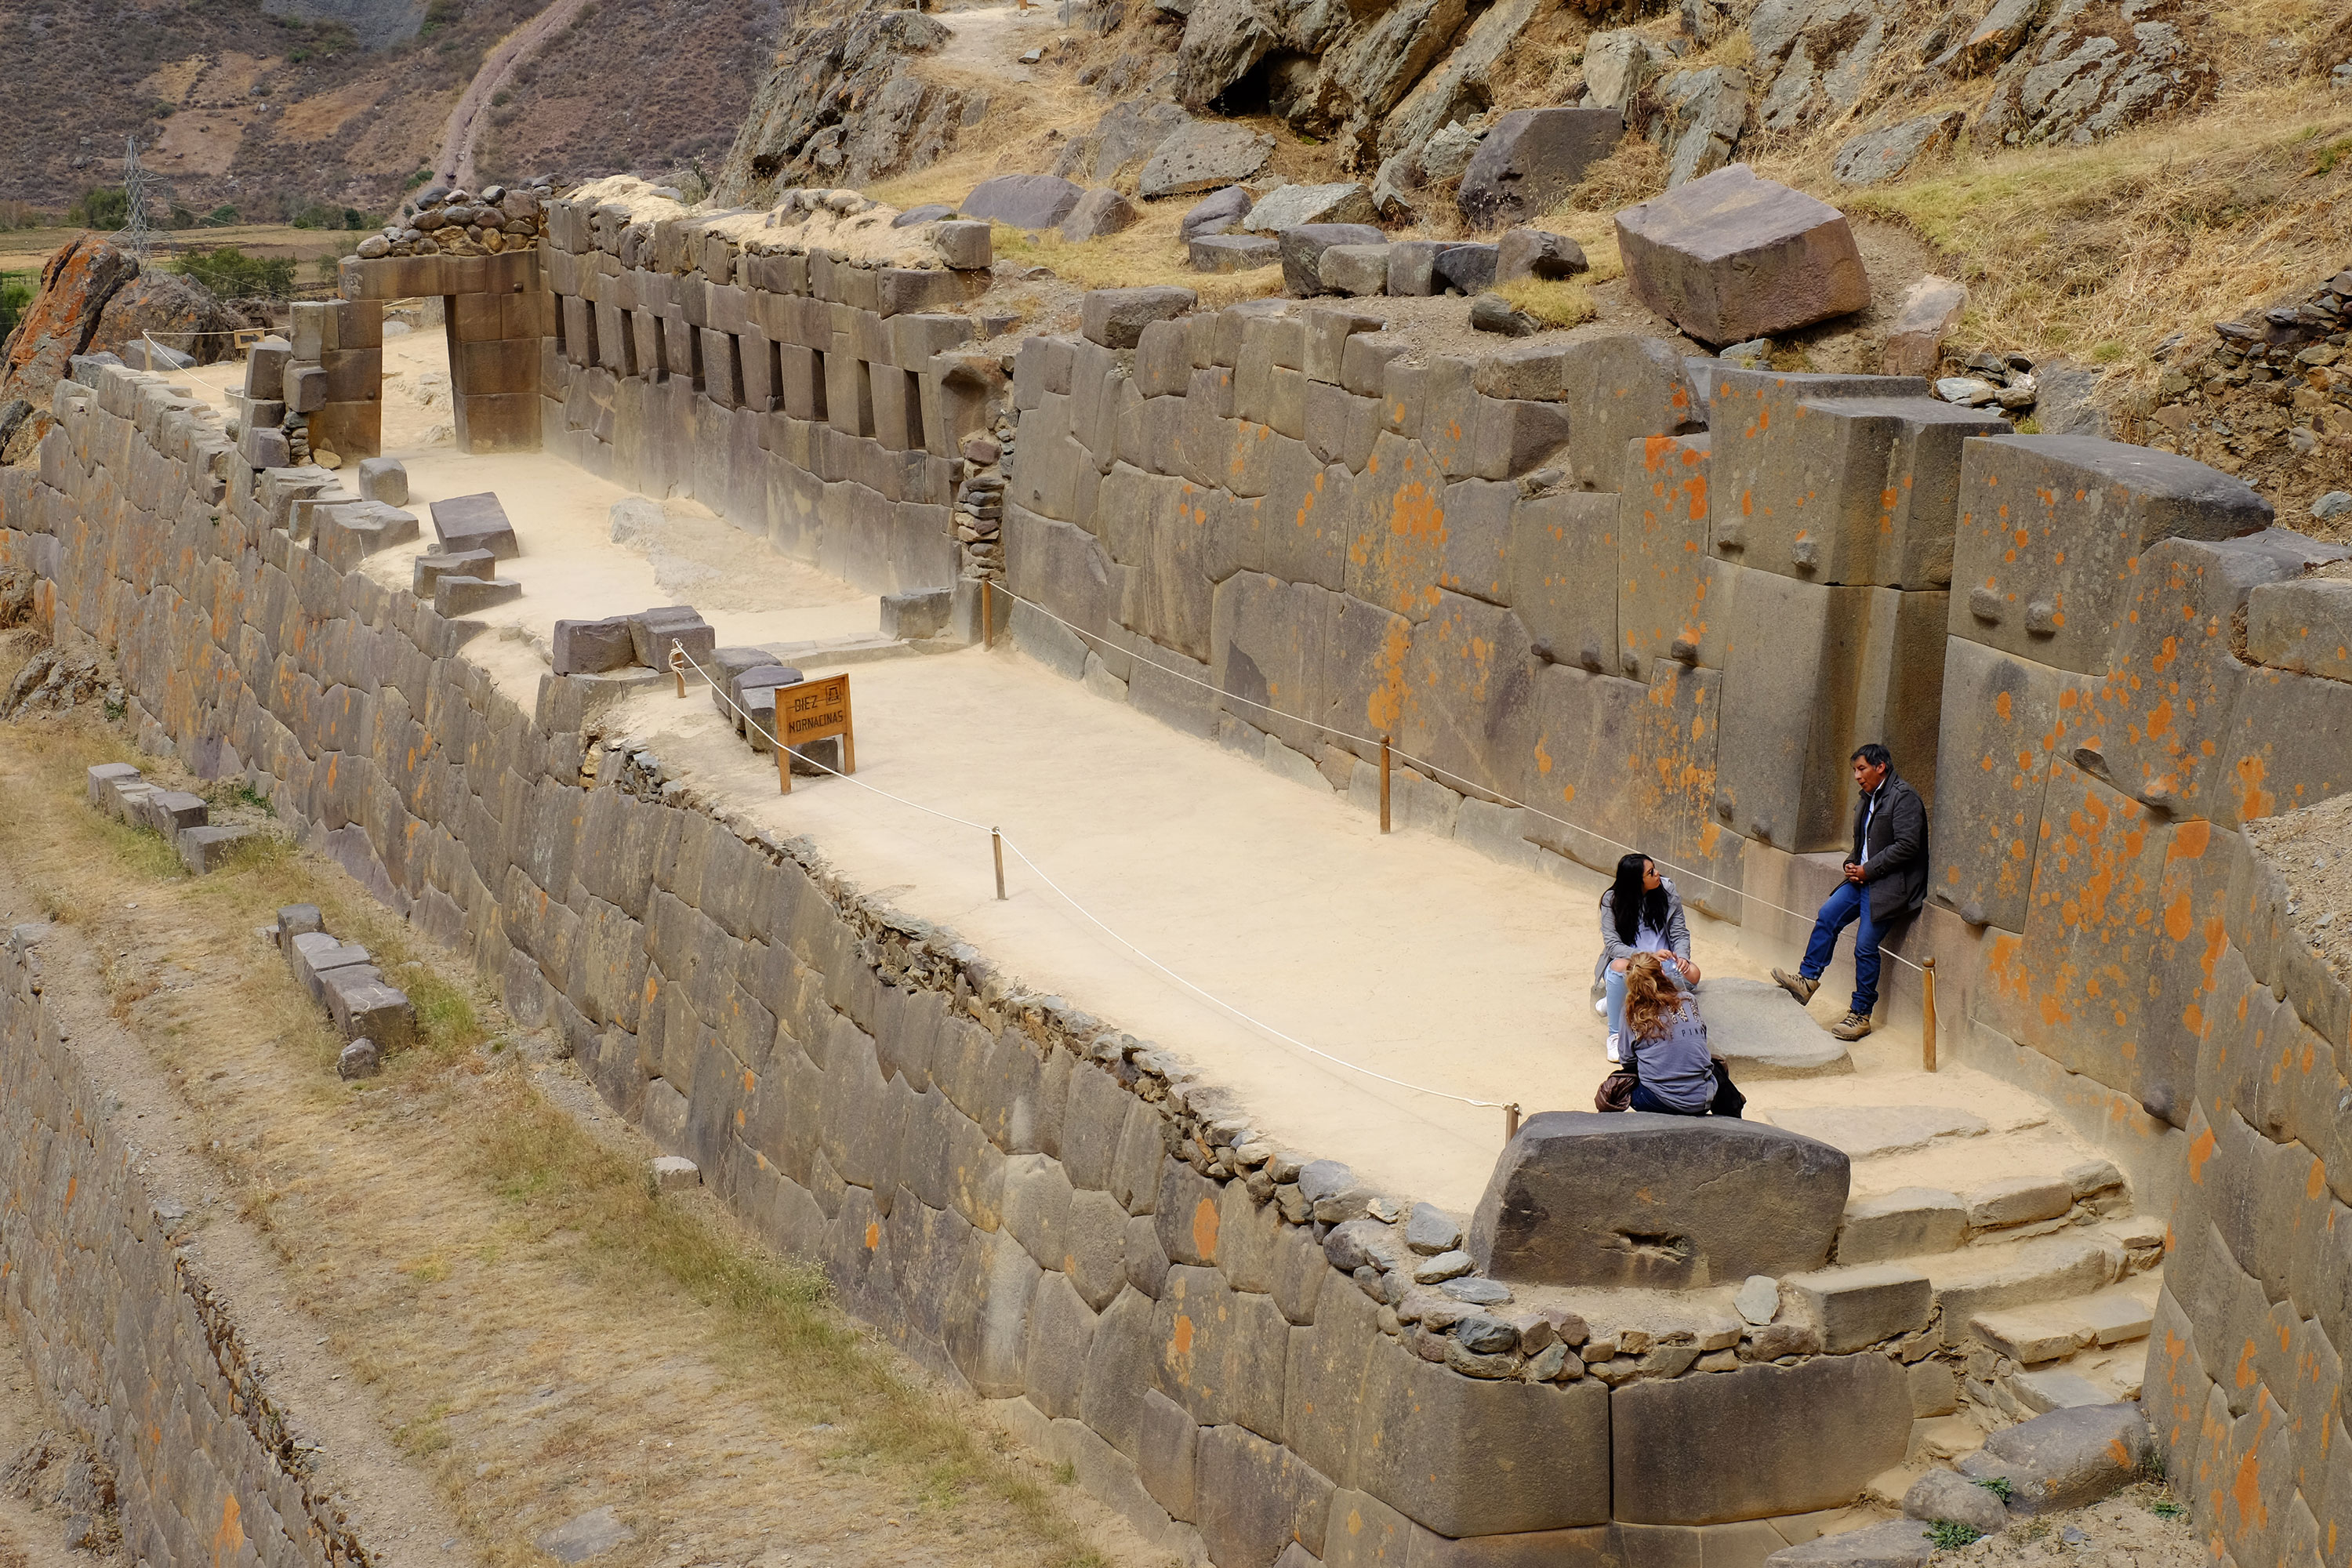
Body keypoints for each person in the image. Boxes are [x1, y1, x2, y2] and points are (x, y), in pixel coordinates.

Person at [1772, 742, 1929, 1042]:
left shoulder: (1904, 797)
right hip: (1863, 880)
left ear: (1880, 766)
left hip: (1890, 886)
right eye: (1855, 770)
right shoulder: (1867, 798)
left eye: (1862, 769)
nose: (1857, 776)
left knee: (1865, 947)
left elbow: (1908, 845)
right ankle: (1807, 979)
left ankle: (1861, 1014)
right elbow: (1864, 845)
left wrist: (1868, 869)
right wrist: (1851, 862)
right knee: (1827, 915)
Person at [1595, 852, 1700, 1063]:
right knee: (1617, 967)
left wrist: (1683, 959)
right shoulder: (1611, 900)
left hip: (1664, 962)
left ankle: (1616, 999)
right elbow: (1614, 946)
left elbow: (1680, 932)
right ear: (1636, 881)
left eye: (1655, 868)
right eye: (1650, 872)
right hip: (1634, 962)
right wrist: (1649, 957)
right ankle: (1615, 1035)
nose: (1657, 873)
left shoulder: (1667, 891)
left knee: (1694, 975)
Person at [1618, 953, 1718, 1115]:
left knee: (1622, 1087)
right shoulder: (1688, 999)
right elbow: (1702, 1038)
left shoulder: (1630, 1013)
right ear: (1662, 974)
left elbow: (1627, 1059)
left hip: (1657, 1099)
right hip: (1702, 1098)